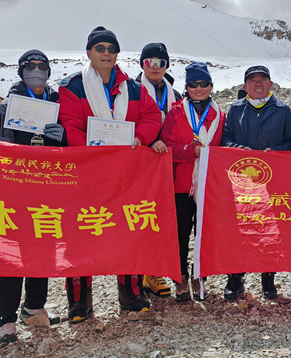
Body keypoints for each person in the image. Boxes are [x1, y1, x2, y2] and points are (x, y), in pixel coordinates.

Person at [57, 26, 163, 319]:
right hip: (87, 172)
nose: (106, 53)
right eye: (100, 48)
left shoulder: (134, 88)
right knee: (82, 233)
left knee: (127, 230)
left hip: (125, 173)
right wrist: (97, 152)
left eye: (111, 49)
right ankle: (80, 300)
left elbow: (152, 116)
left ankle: (131, 293)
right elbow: (70, 124)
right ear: (89, 52)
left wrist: (139, 138)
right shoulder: (72, 87)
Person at [0, 49, 65, 345]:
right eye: (30, 66)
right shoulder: (8, 104)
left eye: (41, 66)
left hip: (48, 189)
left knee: (42, 250)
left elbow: (68, 147)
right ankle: (5, 320)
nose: (36, 71)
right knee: (12, 256)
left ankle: (34, 306)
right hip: (16, 189)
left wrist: (62, 138)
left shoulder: (56, 102)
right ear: (21, 71)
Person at [221, 65, 291, 300]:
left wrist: (277, 151)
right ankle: (235, 277)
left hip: (273, 180)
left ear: (270, 84)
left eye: (263, 79)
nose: (258, 83)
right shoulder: (235, 109)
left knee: (270, 228)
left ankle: (268, 277)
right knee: (239, 228)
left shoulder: (282, 110)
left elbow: (290, 141)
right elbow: (226, 138)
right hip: (242, 181)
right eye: (252, 80)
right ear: (245, 86)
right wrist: (237, 149)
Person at [161, 62, 226, 302]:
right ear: (186, 88)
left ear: (211, 86)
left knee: (204, 232)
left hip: (208, 184)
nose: (199, 88)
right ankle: (180, 276)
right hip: (181, 183)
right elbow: (167, 147)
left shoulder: (219, 115)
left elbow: (224, 147)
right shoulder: (176, 113)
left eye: (203, 83)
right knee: (180, 232)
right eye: (193, 84)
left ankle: (199, 274)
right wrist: (191, 151)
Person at [135, 42, 181, 299]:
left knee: (161, 218)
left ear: (167, 66)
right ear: (142, 64)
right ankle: (140, 272)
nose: (155, 66)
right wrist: (148, 140)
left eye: (160, 62)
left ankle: (154, 270)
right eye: (150, 61)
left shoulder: (175, 93)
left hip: (167, 162)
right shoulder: (130, 90)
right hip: (141, 161)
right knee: (141, 215)